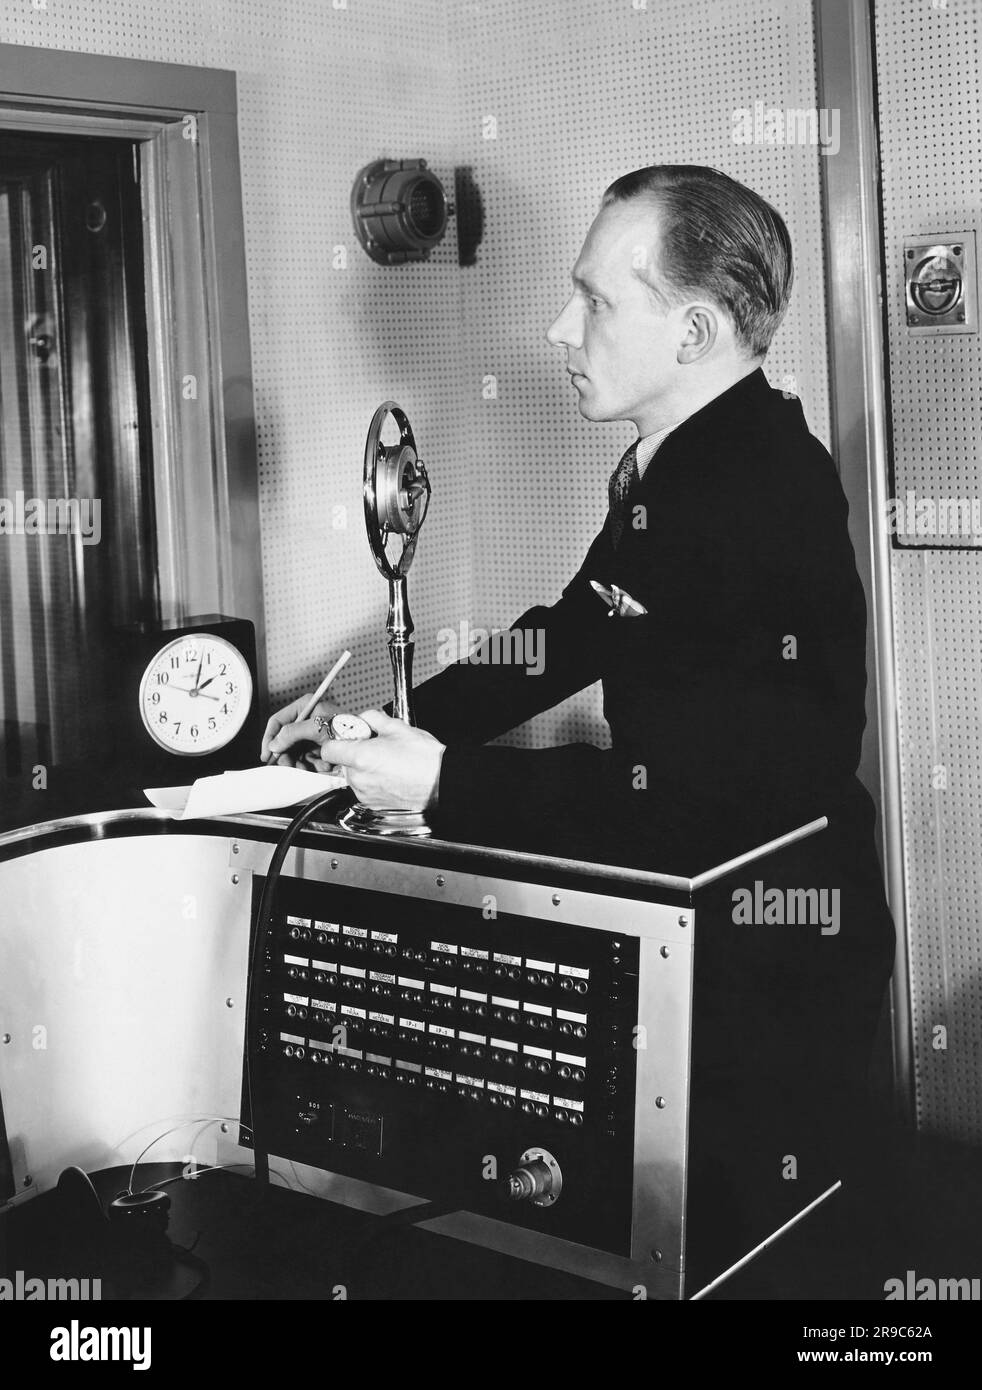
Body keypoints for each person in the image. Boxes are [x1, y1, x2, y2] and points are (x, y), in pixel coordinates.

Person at [264, 166, 896, 1262]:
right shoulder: (688, 461)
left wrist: (444, 783)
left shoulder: (749, 494)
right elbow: (563, 635)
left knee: (763, 1261)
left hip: (769, 955)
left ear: (693, 330)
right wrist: (389, 718)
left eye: (596, 300)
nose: (562, 327)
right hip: (714, 925)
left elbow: (701, 797)